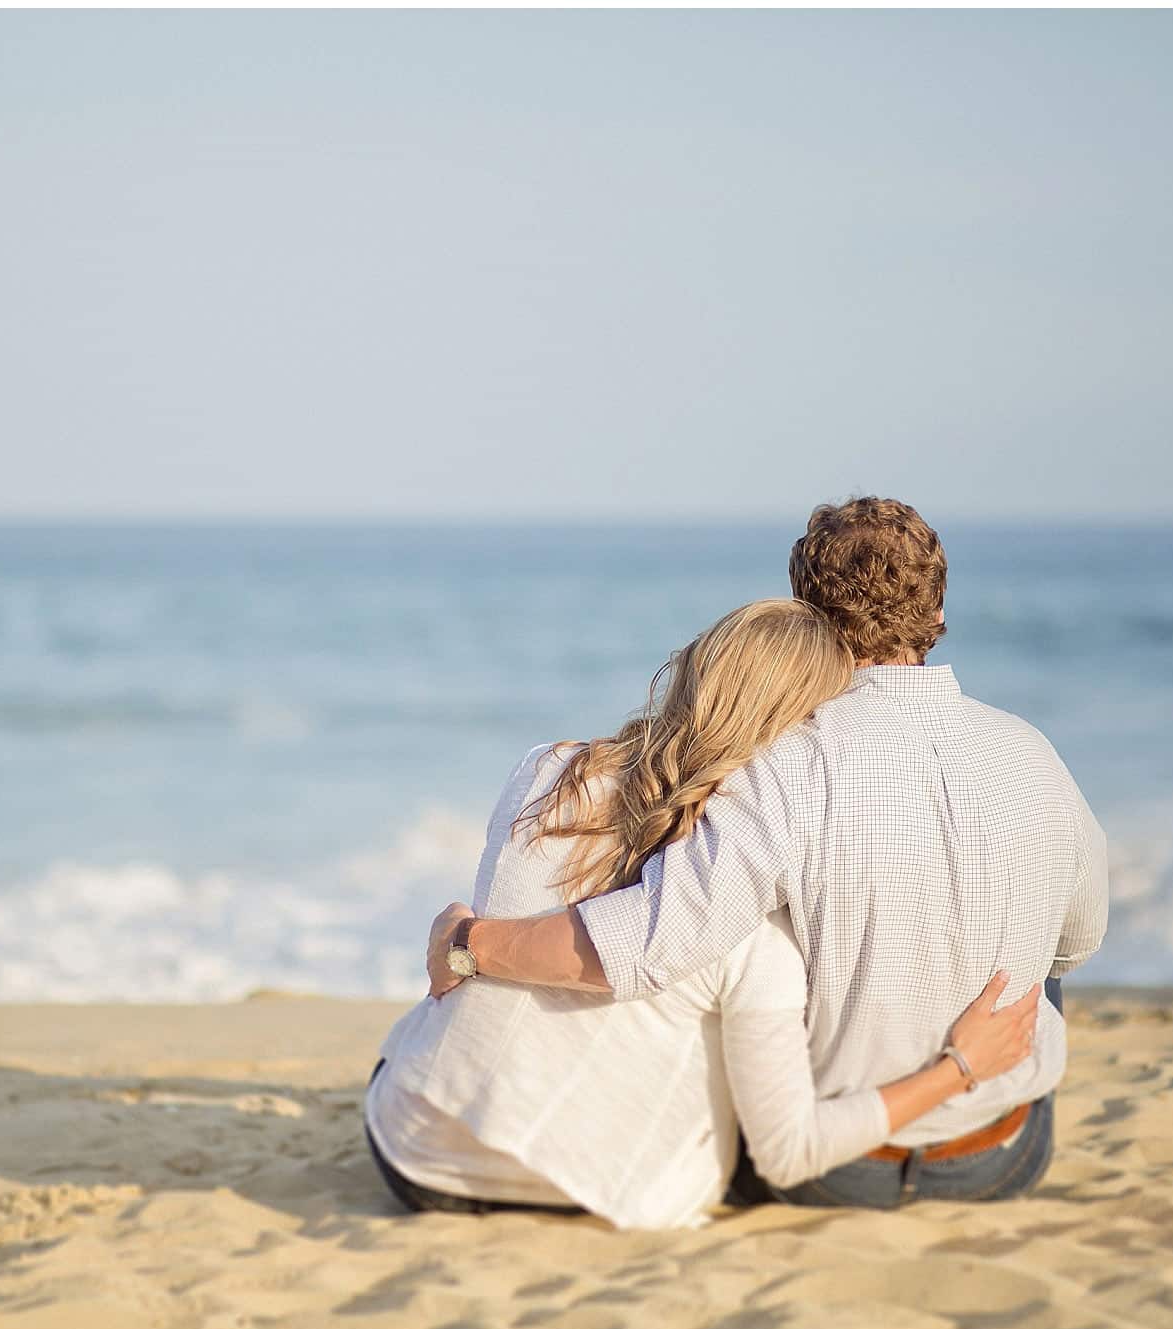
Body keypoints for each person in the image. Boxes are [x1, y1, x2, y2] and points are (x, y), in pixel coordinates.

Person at [425, 497, 1109, 1209]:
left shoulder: (782, 767)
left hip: (841, 1167)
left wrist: (471, 942)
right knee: (1039, 953)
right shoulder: (1036, 754)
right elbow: (1081, 943)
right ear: (938, 614)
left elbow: (646, 945)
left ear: (806, 618)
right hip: (1000, 1154)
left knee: (761, 930)